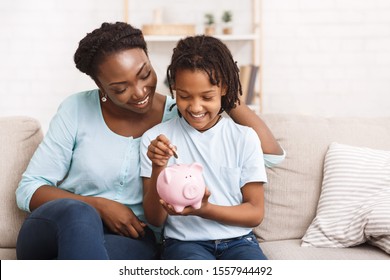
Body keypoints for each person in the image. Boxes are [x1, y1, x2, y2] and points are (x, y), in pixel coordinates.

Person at [15, 22, 283, 260]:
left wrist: (223, 84)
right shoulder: (76, 109)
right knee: (80, 215)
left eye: (145, 74)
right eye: (120, 88)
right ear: (100, 85)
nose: (140, 92)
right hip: (59, 227)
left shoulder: (178, 112)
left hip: (126, 238)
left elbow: (269, 156)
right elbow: (29, 189)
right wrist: (101, 206)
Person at [140, 35, 285, 260]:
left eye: (207, 96)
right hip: (185, 243)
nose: (195, 107)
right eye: (185, 96)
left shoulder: (244, 137)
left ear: (224, 89)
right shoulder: (156, 140)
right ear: (174, 88)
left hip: (239, 242)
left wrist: (204, 210)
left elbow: (255, 213)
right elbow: (155, 219)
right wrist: (158, 167)